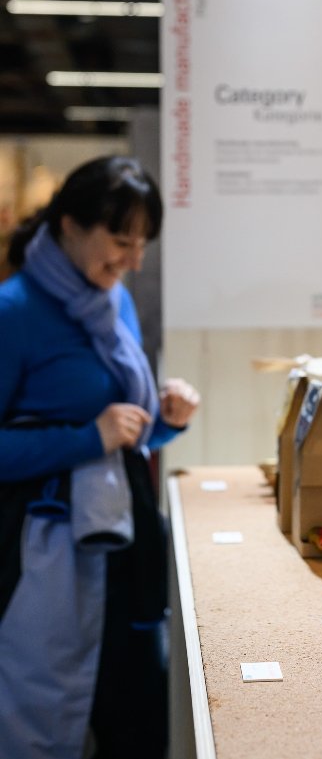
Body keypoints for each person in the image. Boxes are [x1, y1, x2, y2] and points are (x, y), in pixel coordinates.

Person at [0, 156, 200, 759]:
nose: (133, 261)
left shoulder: (114, 303)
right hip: (45, 553)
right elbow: (99, 434)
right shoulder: (15, 311)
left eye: (142, 245)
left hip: (124, 539)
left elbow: (126, 435)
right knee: (43, 719)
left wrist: (164, 422)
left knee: (138, 712)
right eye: (121, 241)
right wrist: (89, 436)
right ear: (69, 225)